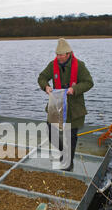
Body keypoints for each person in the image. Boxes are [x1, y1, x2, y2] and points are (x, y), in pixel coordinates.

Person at [38, 38, 93, 171]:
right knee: (50, 131)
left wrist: (74, 89)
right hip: (56, 103)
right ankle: (63, 154)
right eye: (57, 55)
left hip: (74, 107)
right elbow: (42, 77)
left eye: (61, 55)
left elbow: (89, 82)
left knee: (71, 136)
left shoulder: (80, 65)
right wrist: (46, 86)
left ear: (68, 54)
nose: (59, 57)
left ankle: (69, 164)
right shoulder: (53, 64)